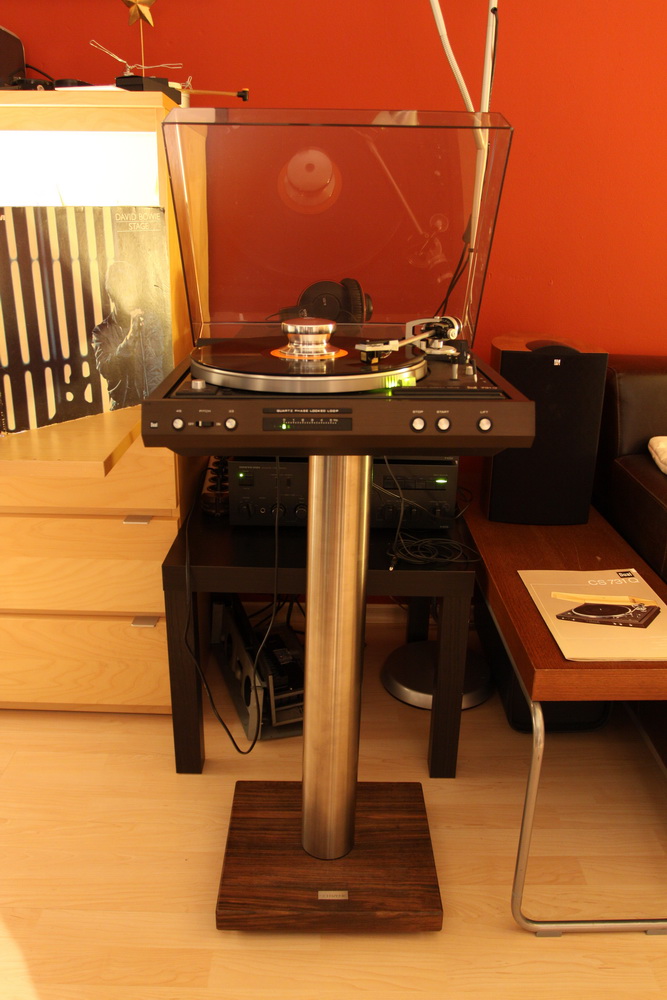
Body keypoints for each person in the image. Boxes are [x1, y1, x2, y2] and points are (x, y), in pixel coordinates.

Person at [91, 260, 167, 409]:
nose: (132, 297)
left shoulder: (151, 322)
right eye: (125, 291)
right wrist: (130, 339)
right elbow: (107, 370)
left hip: (151, 404)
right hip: (121, 409)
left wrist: (156, 404)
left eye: (134, 290)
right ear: (112, 294)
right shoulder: (101, 332)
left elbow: (155, 367)